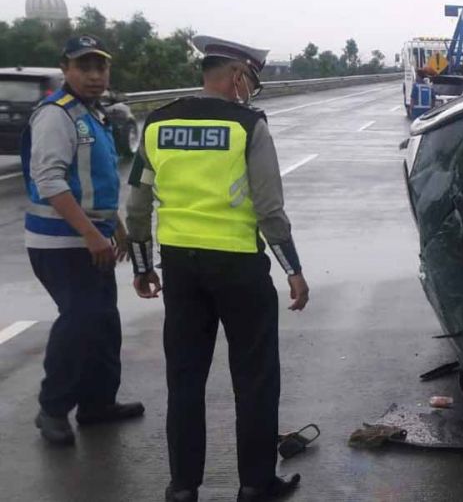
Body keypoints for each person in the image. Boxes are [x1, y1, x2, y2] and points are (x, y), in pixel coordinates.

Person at [125, 35, 310, 502]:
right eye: (250, 77)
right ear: (235, 75)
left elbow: (137, 203)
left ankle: (183, 487)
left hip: (182, 271)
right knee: (255, 380)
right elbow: (269, 207)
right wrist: (292, 268)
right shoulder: (248, 124)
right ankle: (255, 486)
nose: (251, 87)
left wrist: (144, 265)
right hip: (239, 269)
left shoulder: (157, 123)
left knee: (184, 381)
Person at [20, 35, 145, 446]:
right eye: (84, 67)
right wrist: (92, 234)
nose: (94, 76)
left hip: (93, 239)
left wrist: (117, 228)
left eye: (100, 68)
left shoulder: (95, 114)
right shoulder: (55, 115)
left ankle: (96, 404)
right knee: (79, 322)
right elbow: (50, 181)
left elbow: (99, 183)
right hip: (60, 243)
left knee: (103, 323)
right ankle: (52, 409)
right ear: (66, 69)